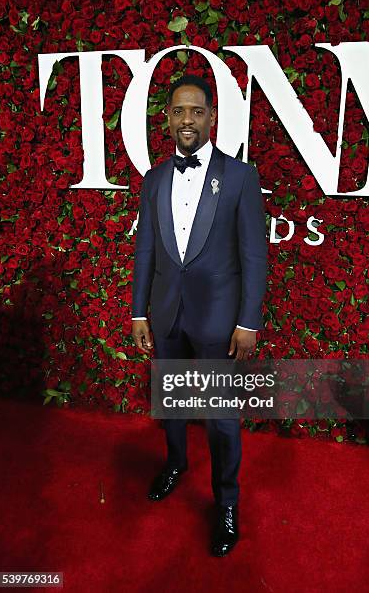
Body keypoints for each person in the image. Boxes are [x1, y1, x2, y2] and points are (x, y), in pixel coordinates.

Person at [132, 74, 267, 557]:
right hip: (166, 316)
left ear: (211, 117)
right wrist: (137, 313)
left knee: (220, 419)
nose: (186, 119)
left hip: (218, 322)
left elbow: (254, 256)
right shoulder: (154, 179)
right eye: (177, 111)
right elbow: (145, 249)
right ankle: (175, 463)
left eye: (195, 111)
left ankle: (226, 502)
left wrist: (248, 321)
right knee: (170, 404)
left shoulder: (239, 177)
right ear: (167, 119)